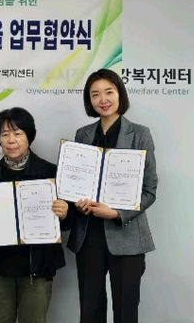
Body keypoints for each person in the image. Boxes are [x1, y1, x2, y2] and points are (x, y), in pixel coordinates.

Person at [68, 69, 158, 323]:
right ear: (89, 100)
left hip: (126, 235)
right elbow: (75, 183)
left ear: (120, 94)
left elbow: (149, 190)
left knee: (126, 311)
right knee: (90, 311)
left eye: (109, 92)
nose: (103, 99)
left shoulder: (140, 134)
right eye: (95, 94)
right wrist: (78, 203)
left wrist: (117, 213)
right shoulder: (83, 134)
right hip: (88, 235)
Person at [0, 107, 69, 323]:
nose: (11, 140)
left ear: (29, 136)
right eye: (5, 134)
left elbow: (69, 222)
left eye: (17, 133)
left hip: (36, 267)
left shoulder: (49, 172)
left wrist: (64, 212)